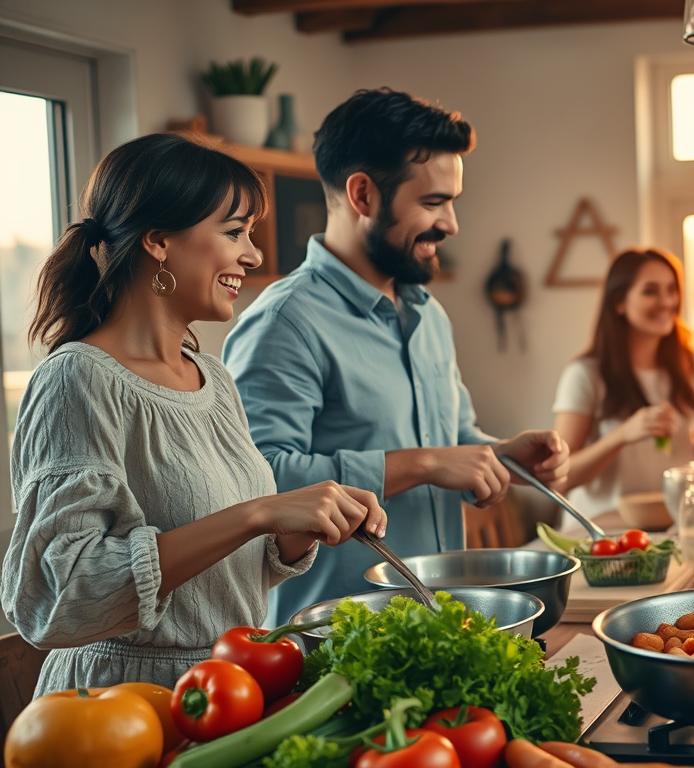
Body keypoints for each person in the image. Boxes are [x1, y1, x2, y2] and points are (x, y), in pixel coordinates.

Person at [1, 133, 386, 694]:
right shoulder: (78, 379)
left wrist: (296, 532)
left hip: (232, 686)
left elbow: (226, 573)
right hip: (121, 703)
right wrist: (258, 513)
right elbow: (59, 598)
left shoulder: (213, 379)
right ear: (158, 241)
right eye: (234, 233)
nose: (252, 256)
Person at [223, 89, 569, 627]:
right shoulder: (285, 322)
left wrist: (499, 455)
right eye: (433, 202)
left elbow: (450, 440)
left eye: (452, 202)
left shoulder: (428, 314)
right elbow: (257, 479)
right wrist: (426, 463)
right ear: (363, 195)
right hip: (331, 640)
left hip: (429, 622)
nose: (452, 224)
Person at [552, 248, 694, 519]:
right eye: (651, 291)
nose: (667, 302)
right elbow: (561, 476)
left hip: (670, 523)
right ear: (619, 303)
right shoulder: (585, 374)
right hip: (602, 528)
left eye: (672, 290)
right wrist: (623, 435)